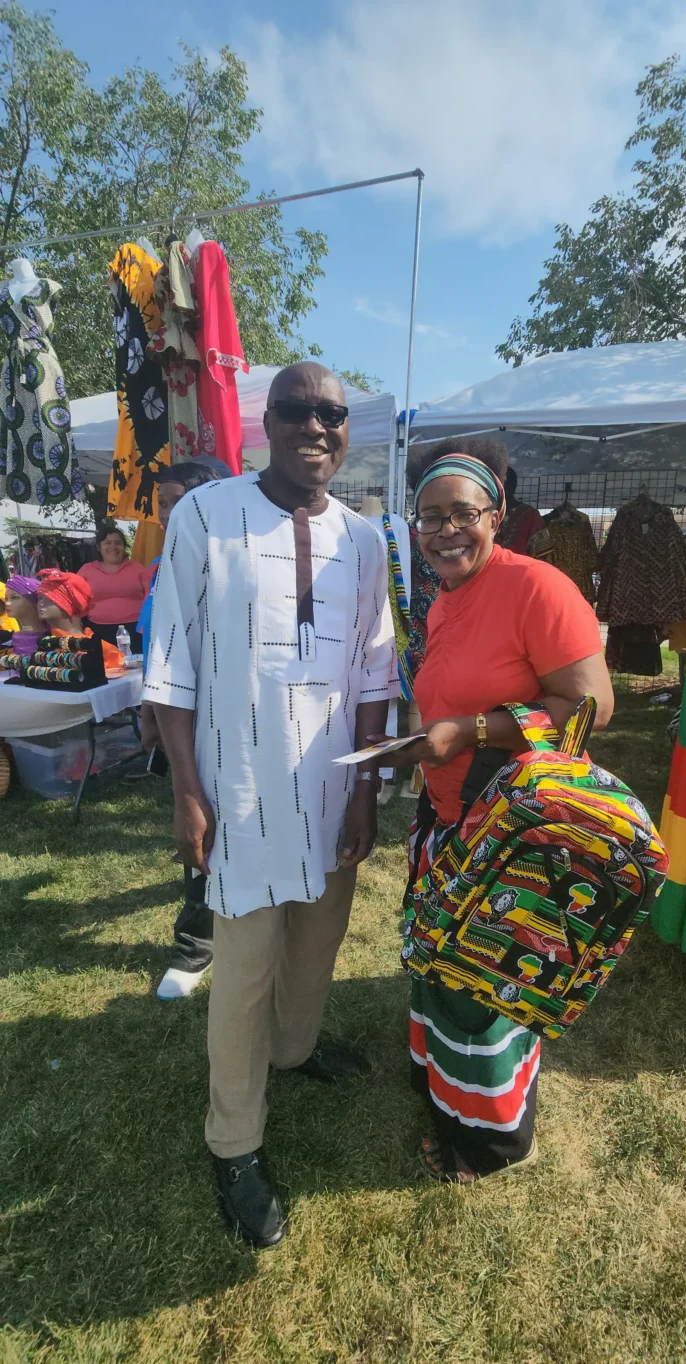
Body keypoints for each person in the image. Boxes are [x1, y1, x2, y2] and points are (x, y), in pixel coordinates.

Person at [144, 362, 399, 1247]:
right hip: (239, 791)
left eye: (331, 414)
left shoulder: (364, 540)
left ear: (346, 430)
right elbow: (170, 666)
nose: (315, 427)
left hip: (332, 791)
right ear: (268, 422)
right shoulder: (203, 516)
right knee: (244, 973)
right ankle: (235, 1142)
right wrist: (187, 790)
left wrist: (366, 788)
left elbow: (375, 670)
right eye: (296, 411)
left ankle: (296, 1051)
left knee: (318, 945)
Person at [385, 438, 613, 1184]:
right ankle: (441, 1089)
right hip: (450, 818)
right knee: (444, 964)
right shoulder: (445, 599)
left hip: (511, 832)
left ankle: (489, 1141)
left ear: (497, 514)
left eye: (463, 513)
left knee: (485, 985)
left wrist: (470, 732)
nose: (446, 531)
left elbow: (591, 706)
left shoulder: (536, 586)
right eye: (430, 518)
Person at [139, 458, 232, 1003]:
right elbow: (158, 644)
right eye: (164, 505)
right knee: (195, 824)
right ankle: (196, 944)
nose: (170, 514)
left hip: (228, 720)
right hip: (180, 718)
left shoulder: (231, 561)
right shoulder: (164, 565)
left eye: (178, 502)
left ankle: (208, 940)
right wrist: (150, 707)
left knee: (217, 826)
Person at [77, 524, 147, 654]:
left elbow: (150, 599)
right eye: (107, 543)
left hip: (136, 630)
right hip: (97, 630)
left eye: (118, 543)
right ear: (99, 547)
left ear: (124, 546)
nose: (113, 547)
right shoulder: (86, 570)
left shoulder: (138, 568)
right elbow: (76, 602)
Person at [36, 570, 124, 669]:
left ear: (67, 604)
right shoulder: (45, 641)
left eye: (50, 600)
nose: (41, 604)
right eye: (39, 599)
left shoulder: (90, 646)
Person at [496, 466, 552, 560]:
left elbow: (543, 552)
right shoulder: (486, 513)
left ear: (510, 487)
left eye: (499, 484)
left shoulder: (531, 515)